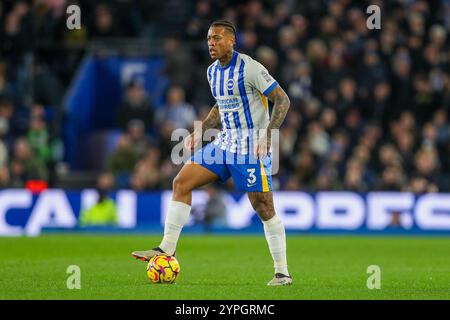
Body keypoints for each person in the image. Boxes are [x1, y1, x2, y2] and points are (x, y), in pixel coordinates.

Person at [132, 20, 292, 286]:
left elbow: (282, 99)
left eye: (217, 38)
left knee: (263, 207)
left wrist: (268, 135)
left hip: (250, 149)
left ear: (232, 41)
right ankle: (166, 248)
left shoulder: (250, 68)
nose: (211, 43)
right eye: (209, 38)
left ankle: (282, 272)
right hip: (224, 144)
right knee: (181, 182)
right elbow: (221, 105)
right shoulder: (212, 72)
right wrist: (199, 131)